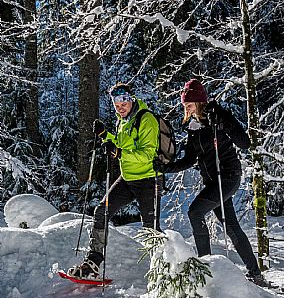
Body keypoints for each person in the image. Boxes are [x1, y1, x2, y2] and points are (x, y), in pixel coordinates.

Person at [154, 78, 266, 286]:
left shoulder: (217, 116)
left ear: (200, 102)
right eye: (184, 102)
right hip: (213, 182)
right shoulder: (193, 128)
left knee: (195, 212)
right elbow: (189, 160)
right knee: (232, 227)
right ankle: (256, 275)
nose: (185, 105)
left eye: (190, 101)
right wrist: (166, 168)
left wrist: (224, 122)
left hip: (229, 176)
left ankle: (204, 269)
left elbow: (244, 142)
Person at [69, 83, 162, 279]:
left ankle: (164, 270)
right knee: (101, 211)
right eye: (116, 103)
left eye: (123, 101)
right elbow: (120, 146)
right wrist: (106, 136)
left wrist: (119, 153)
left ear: (131, 99)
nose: (120, 106)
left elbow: (147, 154)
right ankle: (93, 262)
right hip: (128, 179)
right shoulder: (123, 121)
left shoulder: (147, 120)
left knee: (150, 228)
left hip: (148, 180)